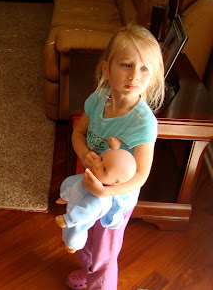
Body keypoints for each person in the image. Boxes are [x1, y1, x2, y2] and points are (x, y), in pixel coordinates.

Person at [65, 25, 165, 290]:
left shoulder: (143, 123)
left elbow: (141, 176)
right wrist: (85, 153)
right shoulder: (98, 99)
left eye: (145, 68)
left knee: (104, 251)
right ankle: (87, 272)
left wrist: (106, 192)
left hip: (117, 199)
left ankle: (101, 284)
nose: (135, 75)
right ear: (106, 68)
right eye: (126, 65)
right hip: (90, 185)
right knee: (84, 231)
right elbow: (79, 133)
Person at [56, 138, 136, 254]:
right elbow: (107, 158)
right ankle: (65, 197)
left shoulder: (99, 200)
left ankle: (73, 246)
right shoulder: (102, 168)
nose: (97, 165)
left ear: (116, 182)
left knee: (73, 234)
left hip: (78, 215)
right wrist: (113, 148)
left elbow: (85, 212)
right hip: (79, 188)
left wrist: (67, 219)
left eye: (104, 169)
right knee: (68, 183)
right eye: (101, 159)